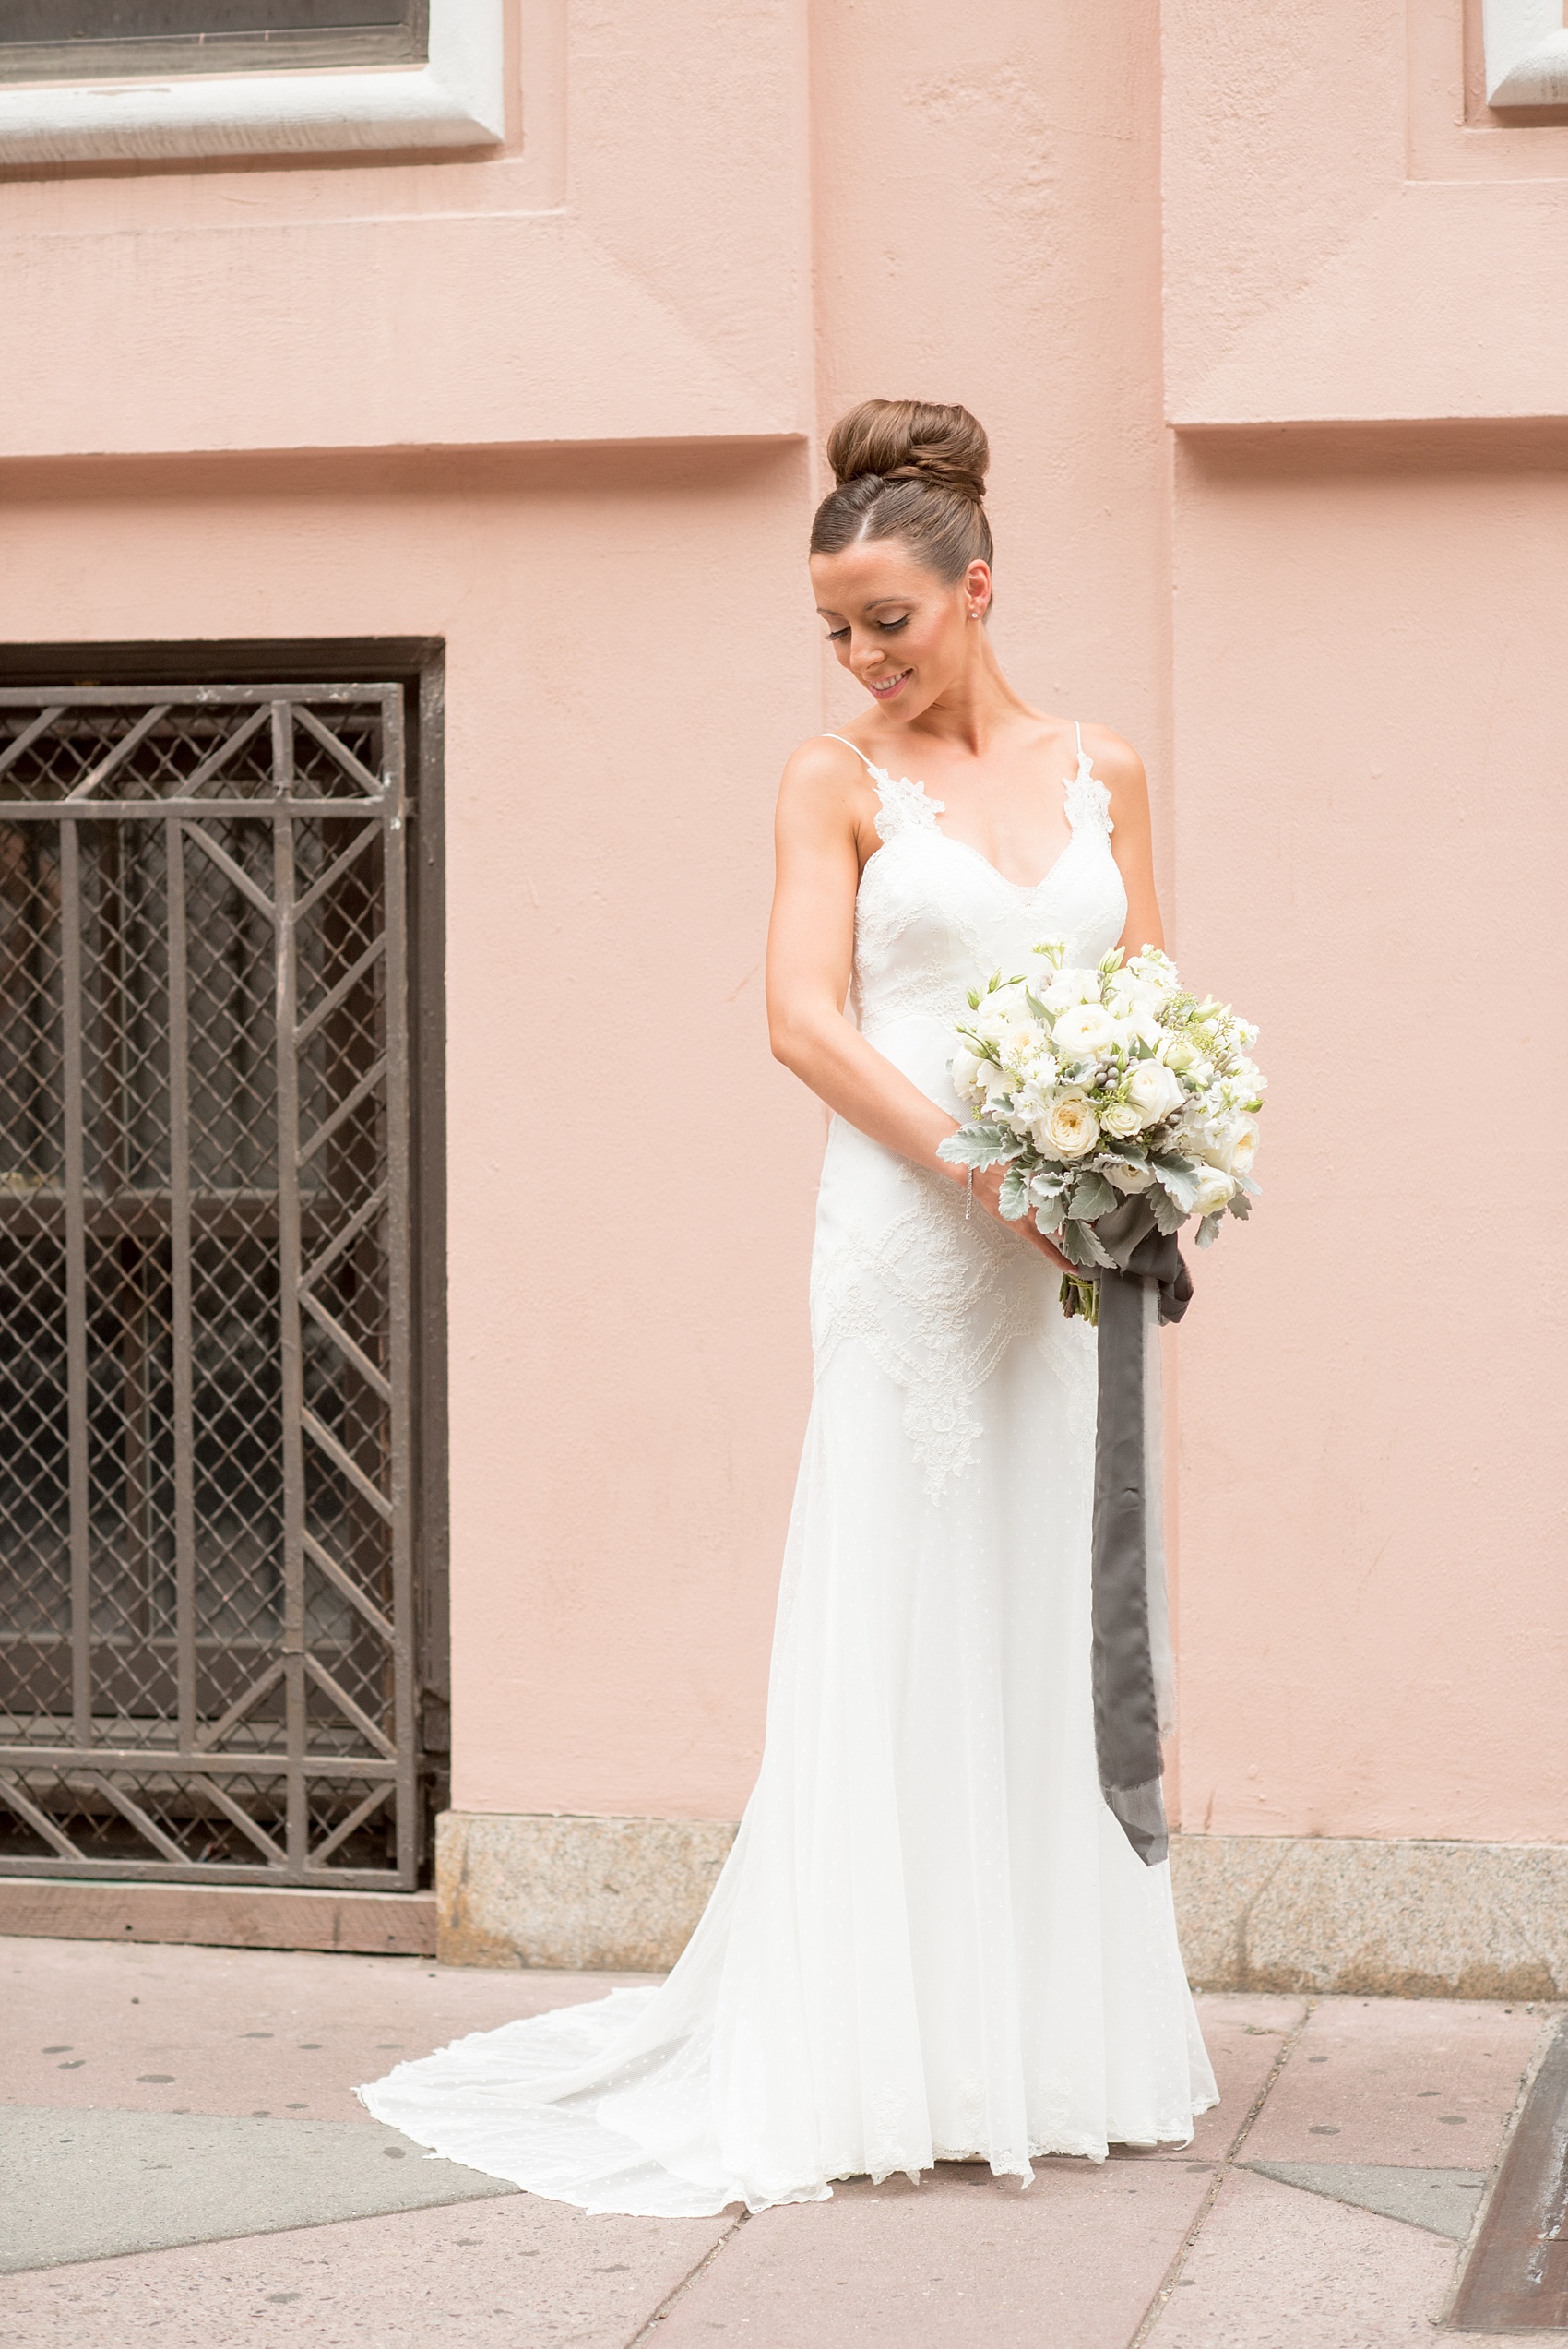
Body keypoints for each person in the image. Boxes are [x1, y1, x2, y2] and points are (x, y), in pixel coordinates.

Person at [360, 399, 1218, 2216]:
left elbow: (1149, 993)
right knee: (896, 1600)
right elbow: (802, 1021)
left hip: (1061, 1258)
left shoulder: (1104, 772)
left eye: (886, 622)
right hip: (913, 1246)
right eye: (830, 629)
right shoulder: (829, 779)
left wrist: (1141, 1148)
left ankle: (1039, 2044)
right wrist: (992, 1170)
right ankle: (868, 2050)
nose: (858, 658)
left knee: (1035, 1600)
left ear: (977, 588)